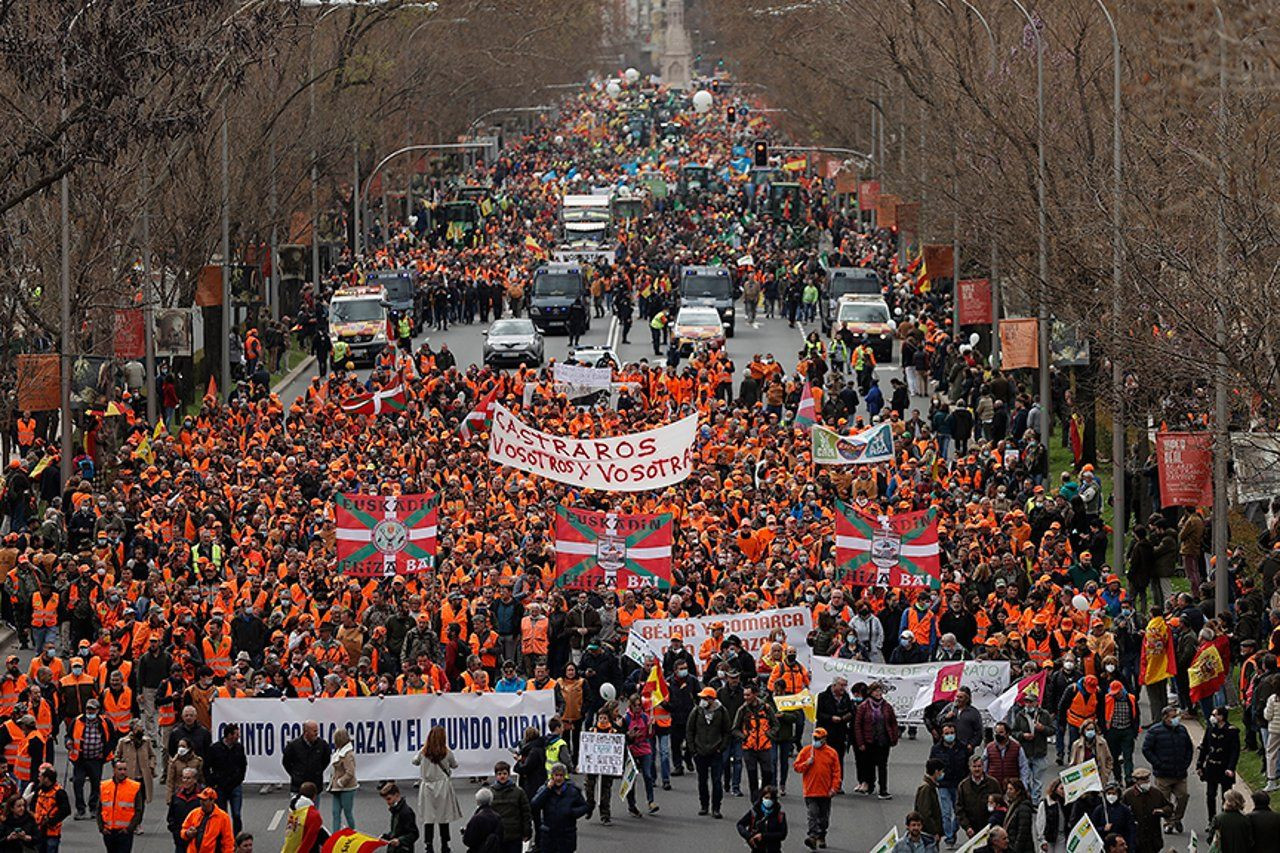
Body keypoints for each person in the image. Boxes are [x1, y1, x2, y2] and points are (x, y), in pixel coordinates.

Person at [1140, 705, 1193, 834]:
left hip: (1180, 773)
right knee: (1164, 801)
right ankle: (1168, 823)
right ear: (1165, 718)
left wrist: (1185, 763)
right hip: (1163, 774)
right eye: (1173, 717)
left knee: (1183, 796)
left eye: (1176, 716)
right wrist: (1158, 763)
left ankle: (1176, 819)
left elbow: (1189, 748)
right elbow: (1146, 749)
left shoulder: (1182, 730)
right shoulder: (1155, 731)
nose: (1176, 719)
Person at [413, 725, 462, 853]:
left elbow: (415, 761)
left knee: (428, 818)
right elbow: (455, 765)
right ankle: (445, 844)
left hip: (427, 787)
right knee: (443, 817)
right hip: (442, 786)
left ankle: (428, 845)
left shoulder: (424, 752)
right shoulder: (446, 752)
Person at [686, 685, 731, 819]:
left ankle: (716, 808)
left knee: (717, 781)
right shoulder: (697, 711)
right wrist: (693, 750)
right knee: (702, 780)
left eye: (705, 698)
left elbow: (727, 732)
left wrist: (721, 748)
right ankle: (704, 805)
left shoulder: (722, 712)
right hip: (700, 752)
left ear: (711, 699)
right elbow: (690, 730)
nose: (702, 701)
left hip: (715, 752)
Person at [793, 725, 841, 849]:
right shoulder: (806, 751)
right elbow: (797, 767)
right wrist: (806, 763)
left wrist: (834, 788)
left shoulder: (832, 753)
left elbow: (836, 773)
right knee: (812, 814)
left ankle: (821, 836)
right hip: (810, 791)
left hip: (825, 792)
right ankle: (812, 837)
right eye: (814, 737)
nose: (816, 740)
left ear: (824, 739)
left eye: (818, 738)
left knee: (824, 818)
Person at [529, 763, 589, 853]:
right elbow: (534, 805)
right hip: (549, 835)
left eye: (561, 775)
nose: (558, 778)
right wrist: (547, 790)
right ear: (552, 776)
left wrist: (572, 813)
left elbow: (584, 806)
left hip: (567, 834)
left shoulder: (572, 790)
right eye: (556, 775)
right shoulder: (545, 789)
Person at [734, 685, 779, 804]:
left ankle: (765, 796)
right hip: (749, 748)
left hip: (764, 747)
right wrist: (745, 737)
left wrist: (769, 735)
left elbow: (776, 725)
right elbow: (735, 729)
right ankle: (755, 801)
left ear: (755, 694)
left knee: (768, 773)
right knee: (752, 775)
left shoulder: (766, 708)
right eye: (744, 695)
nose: (746, 697)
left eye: (748, 695)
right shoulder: (742, 710)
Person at [854, 682, 899, 800]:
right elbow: (858, 725)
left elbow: (893, 722)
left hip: (883, 740)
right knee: (870, 765)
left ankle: (883, 789)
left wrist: (894, 737)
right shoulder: (863, 706)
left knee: (882, 765)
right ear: (871, 692)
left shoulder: (887, 706)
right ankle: (870, 785)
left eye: (880, 691)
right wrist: (860, 742)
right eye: (876, 691)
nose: (878, 693)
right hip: (869, 740)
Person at [68, 698, 112, 820]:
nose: (90, 711)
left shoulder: (105, 723)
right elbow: (69, 736)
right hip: (80, 759)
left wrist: (104, 754)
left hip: (96, 759)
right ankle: (80, 809)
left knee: (96, 784)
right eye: (88, 708)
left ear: (98, 710)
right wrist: (68, 742)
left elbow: (111, 739)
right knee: (78, 783)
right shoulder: (77, 721)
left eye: (93, 709)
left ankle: (94, 808)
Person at [1196, 705, 1240, 824]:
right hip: (1211, 767)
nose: (1212, 717)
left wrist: (1231, 768)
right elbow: (1204, 747)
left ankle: (1224, 820)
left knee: (1226, 796)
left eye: (1214, 715)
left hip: (1224, 767)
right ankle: (1212, 819)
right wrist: (1199, 765)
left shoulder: (1232, 731)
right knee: (1210, 795)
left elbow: (1234, 752)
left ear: (1221, 717)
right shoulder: (1210, 729)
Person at [205, 724, 247, 835]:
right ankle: (224, 836)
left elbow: (243, 764)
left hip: (235, 785)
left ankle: (237, 836)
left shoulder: (239, 748)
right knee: (222, 814)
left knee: (237, 814)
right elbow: (206, 767)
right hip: (220, 787)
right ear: (229, 735)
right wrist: (211, 783)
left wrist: (240, 778)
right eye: (236, 734)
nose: (238, 736)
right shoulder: (215, 749)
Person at [98, 760, 145, 853]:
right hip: (109, 831)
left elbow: (138, 810)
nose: (122, 772)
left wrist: (130, 829)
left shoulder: (134, 787)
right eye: (120, 769)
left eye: (124, 769)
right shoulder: (104, 786)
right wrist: (102, 828)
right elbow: (99, 808)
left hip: (124, 833)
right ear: (114, 770)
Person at [486, 762, 531, 853]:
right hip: (497, 835)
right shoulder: (490, 793)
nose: (502, 776)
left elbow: (526, 813)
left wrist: (527, 831)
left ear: (509, 774)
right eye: (499, 774)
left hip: (515, 835)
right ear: (496, 775)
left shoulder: (519, 792)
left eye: (505, 773)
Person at [282, 721, 331, 803]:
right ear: (306, 732)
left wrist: (318, 771)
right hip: (298, 787)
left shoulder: (322, 745)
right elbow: (286, 762)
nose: (316, 733)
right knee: (298, 814)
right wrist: (296, 774)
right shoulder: (293, 746)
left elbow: (326, 760)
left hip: (315, 787)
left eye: (317, 731)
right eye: (314, 731)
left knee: (313, 814)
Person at [1121, 768, 1165, 853]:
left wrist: (1162, 811)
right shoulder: (1128, 795)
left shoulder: (1156, 793)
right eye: (1142, 780)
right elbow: (1121, 812)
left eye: (1147, 779)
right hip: (1137, 837)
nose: (1145, 782)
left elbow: (1168, 807)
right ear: (1136, 781)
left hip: (1153, 836)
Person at [958, 756, 1002, 841]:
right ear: (969, 767)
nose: (977, 769)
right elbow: (959, 809)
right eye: (974, 766)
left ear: (983, 766)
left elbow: (1001, 805)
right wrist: (967, 827)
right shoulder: (963, 786)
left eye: (979, 766)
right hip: (973, 830)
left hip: (991, 828)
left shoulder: (993, 783)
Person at [179, 787, 235, 853]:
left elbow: (228, 841)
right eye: (201, 799)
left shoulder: (223, 817)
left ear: (212, 801)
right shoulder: (194, 813)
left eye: (205, 800)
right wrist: (187, 833)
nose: (201, 802)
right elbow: (183, 830)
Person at [736, 785, 787, 853]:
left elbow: (782, 834)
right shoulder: (755, 812)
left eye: (771, 799)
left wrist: (763, 836)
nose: (768, 800)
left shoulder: (779, 815)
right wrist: (748, 836)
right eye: (766, 798)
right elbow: (740, 824)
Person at [1089, 782, 1136, 853]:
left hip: (1120, 847)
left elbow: (1131, 829)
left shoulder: (1124, 810)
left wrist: (1130, 847)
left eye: (1114, 793)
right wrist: (1103, 828)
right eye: (1109, 793)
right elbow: (1092, 828)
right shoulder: (1099, 810)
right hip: (1104, 847)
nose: (1111, 796)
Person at [33, 765, 71, 853]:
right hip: (39, 829)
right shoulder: (39, 790)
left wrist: (52, 820)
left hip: (52, 831)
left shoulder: (59, 793)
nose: (38, 778)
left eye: (40, 776)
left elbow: (66, 810)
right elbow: (33, 805)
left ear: (46, 779)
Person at [327, 728, 358, 832]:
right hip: (336, 788)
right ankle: (335, 835)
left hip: (347, 788)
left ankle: (353, 832)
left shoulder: (348, 754)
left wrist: (340, 782)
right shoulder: (339, 751)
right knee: (335, 812)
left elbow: (350, 772)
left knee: (347, 812)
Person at [168, 768, 203, 853]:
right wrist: (176, 832)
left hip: (197, 839)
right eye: (184, 778)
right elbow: (170, 817)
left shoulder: (201, 797)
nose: (185, 781)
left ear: (195, 780)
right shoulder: (176, 796)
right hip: (180, 838)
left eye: (188, 778)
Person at [1033, 779, 1073, 853]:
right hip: (1050, 837)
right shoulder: (1046, 804)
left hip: (1062, 836)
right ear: (1055, 789)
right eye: (1061, 788)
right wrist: (1042, 840)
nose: (1063, 791)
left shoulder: (1067, 804)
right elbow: (1040, 823)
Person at [380, 782, 420, 852]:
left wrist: (400, 840)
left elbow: (414, 834)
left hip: (403, 849)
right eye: (385, 799)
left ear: (397, 795)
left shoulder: (406, 812)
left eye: (389, 799)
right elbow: (397, 830)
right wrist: (386, 836)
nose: (387, 802)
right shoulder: (396, 809)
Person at [913, 759, 945, 844]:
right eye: (941, 771)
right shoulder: (927, 789)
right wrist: (934, 832)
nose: (942, 774)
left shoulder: (930, 787)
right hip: (927, 834)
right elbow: (925, 813)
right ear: (936, 771)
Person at [462, 788, 502, 853]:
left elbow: (468, 840)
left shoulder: (476, 818)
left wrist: (465, 833)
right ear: (491, 800)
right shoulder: (497, 817)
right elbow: (500, 836)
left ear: (478, 801)